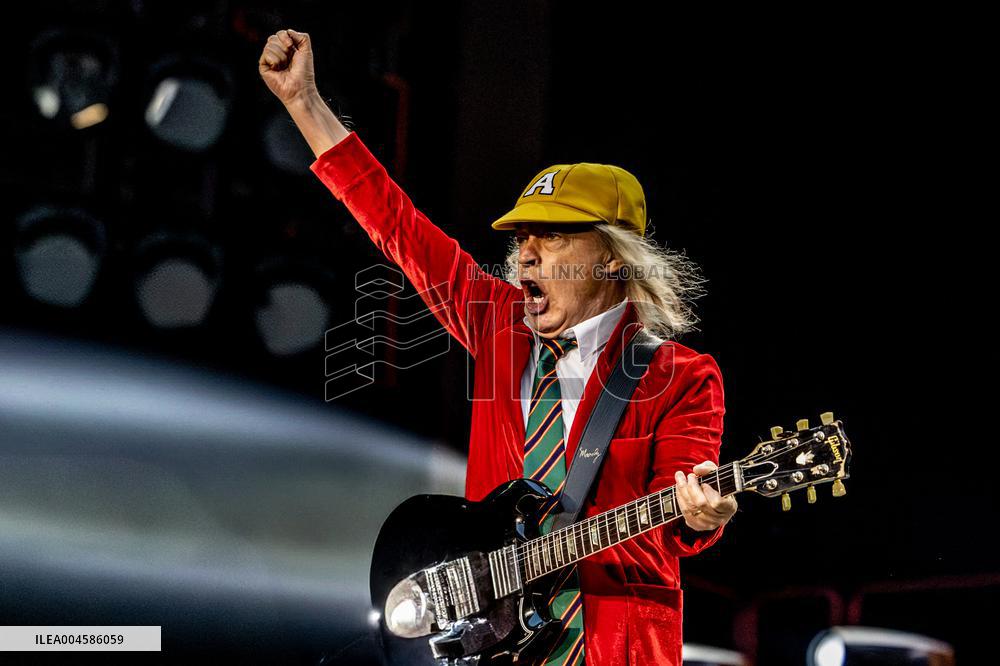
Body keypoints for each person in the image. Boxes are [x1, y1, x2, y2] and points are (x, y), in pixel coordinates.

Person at [259, 28, 738, 666]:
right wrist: (304, 104)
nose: (528, 254)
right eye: (523, 240)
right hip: (494, 647)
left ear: (614, 259)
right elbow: (396, 225)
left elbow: (680, 515)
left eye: (555, 237)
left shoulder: (681, 376)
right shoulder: (498, 325)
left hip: (608, 646)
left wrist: (702, 514)